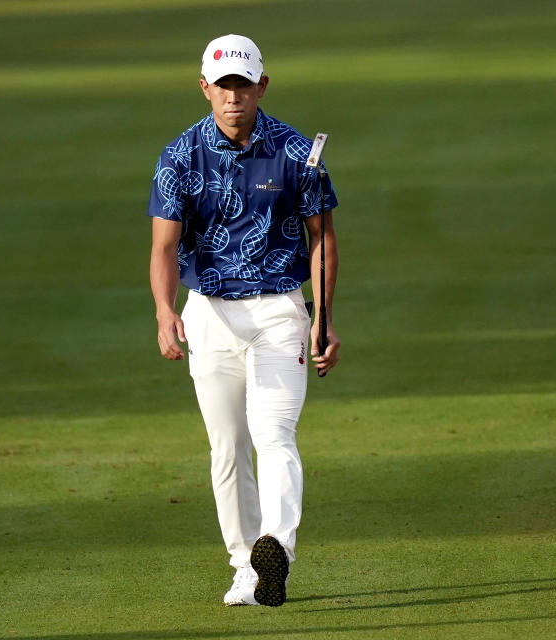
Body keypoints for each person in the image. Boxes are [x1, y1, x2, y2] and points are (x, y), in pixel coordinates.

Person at [147, 34, 340, 607]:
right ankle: (245, 567)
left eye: (243, 84)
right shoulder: (179, 156)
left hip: (280, 309)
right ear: (205, 87)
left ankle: (274, 546)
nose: (234, 96)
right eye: (223, 85)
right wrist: (163, 310)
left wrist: (323, 317)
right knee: (227, 446)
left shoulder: (296, 152)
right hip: (207, 313)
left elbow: (321, 238)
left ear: (261, 85)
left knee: (273, 435)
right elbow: (164, 246)